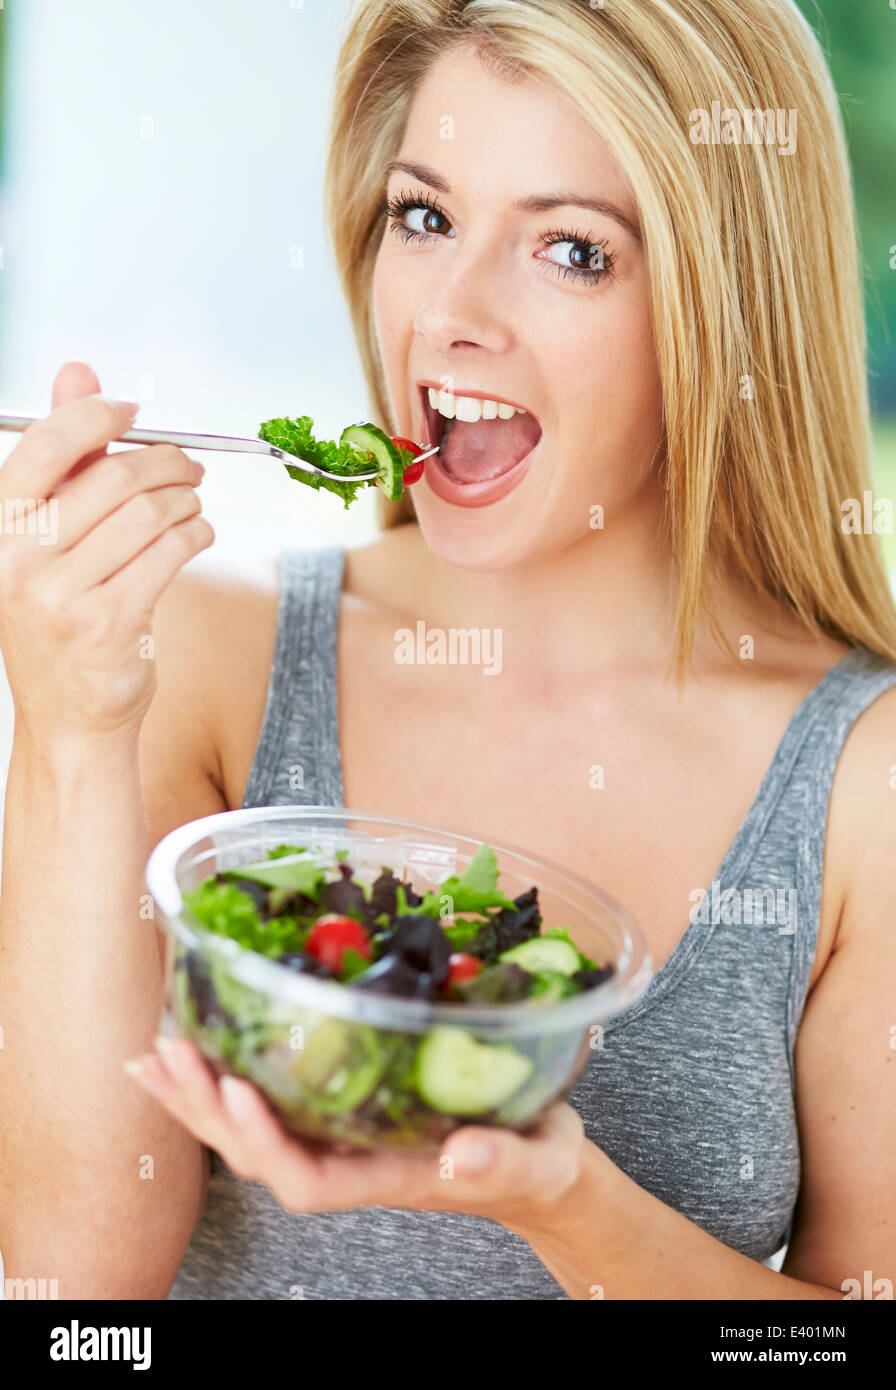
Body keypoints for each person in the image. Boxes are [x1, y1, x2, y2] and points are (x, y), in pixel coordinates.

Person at [1, 0, 894, 1300]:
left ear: (723, 309)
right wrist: (70, 734)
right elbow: (71, 1291)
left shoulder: (860, 779)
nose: (452, 313)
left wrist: (567, 1204)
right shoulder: (200, 661)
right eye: (426, 218)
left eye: (572, 251)